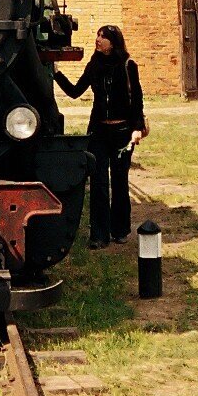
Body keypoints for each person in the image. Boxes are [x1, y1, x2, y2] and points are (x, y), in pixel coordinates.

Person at [54, 24, 147, 249]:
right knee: (98, 183)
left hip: (122, 132)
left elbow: (137, 100)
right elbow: (75, 92)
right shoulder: (94, 65)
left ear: (113, 42)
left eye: (103, 37)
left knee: (119, 180)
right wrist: (56, 73)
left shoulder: (128, 65)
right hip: (98, 132)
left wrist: (137, 128)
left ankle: (120, 229)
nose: (98, 40)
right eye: (97, 35)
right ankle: (99, 235)